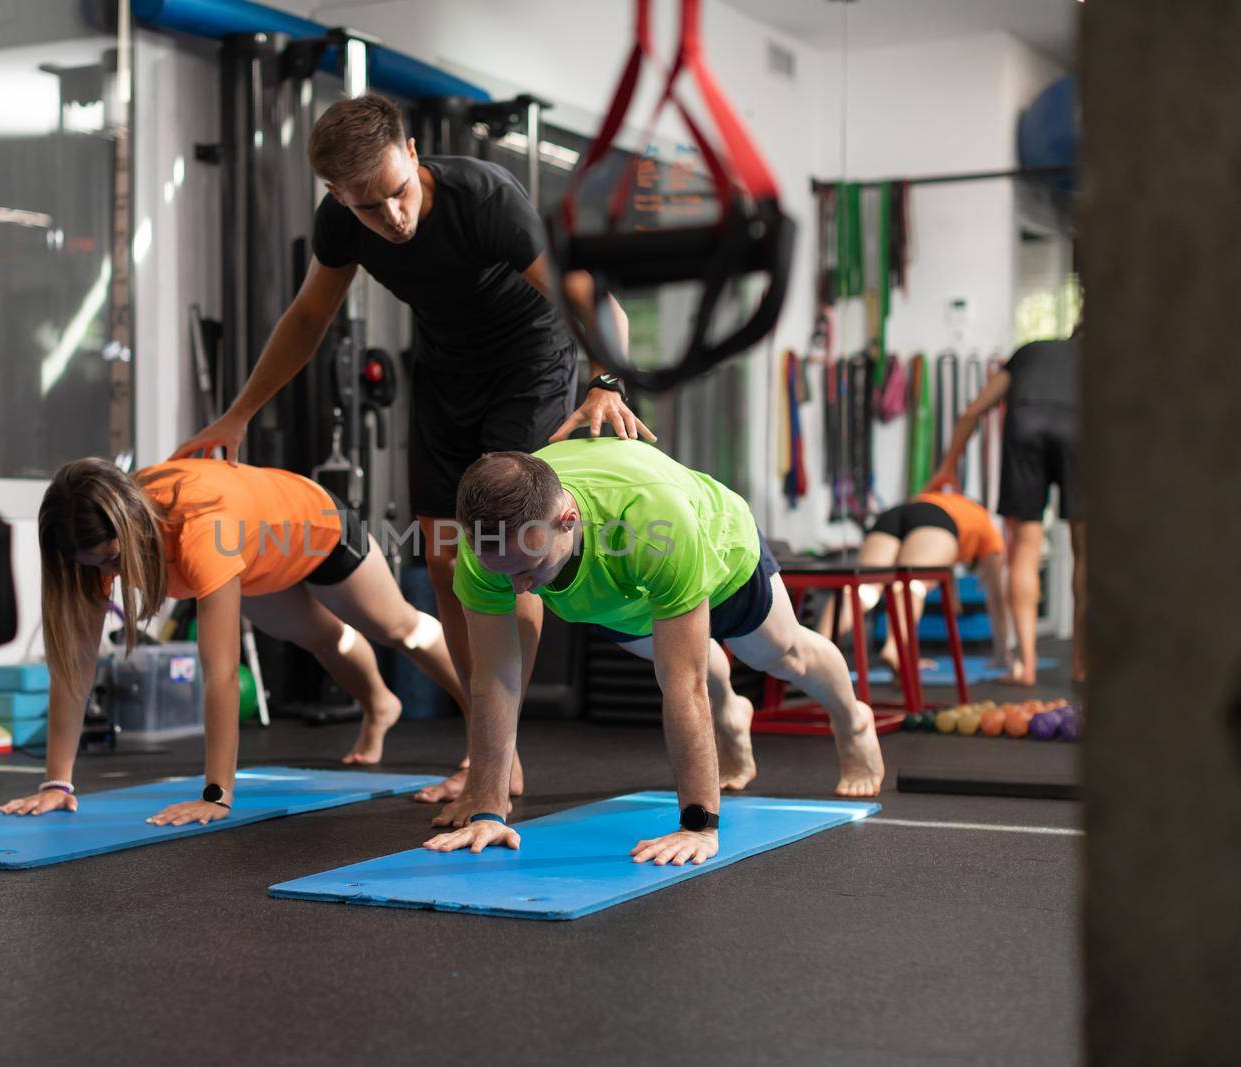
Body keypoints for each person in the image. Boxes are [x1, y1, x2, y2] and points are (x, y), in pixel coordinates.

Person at [174, 93, 649, 806]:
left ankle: (499, 758)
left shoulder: (484, 198)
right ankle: (486, 743)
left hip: (528, 361)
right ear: (336, 194)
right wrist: (237, 416)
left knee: (504, 552)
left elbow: (589, 298)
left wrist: (606, 379)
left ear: (414, 154)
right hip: (443, 373)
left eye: (398, 192)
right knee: (444, 559)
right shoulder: (342, 222)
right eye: (367, 206)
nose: (391, 216)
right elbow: (308, 317)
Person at [422, 439, 885, 866]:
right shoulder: (488, 553)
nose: (518, 588)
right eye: (503, 572)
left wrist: (699, 826)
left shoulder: (649, 520)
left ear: (567, 520)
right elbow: (494, 678)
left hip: (718, 554)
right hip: (619, 590)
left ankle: (852, 717)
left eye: (530, 568)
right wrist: (488, 812)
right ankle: (731, 712)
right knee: (690, 661)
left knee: (779, 655)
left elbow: (684, 686)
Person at [0, 456, 463, 825]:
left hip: (315, 528)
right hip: (258, 556)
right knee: (323, 639)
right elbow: (75, 661)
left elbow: (220, 672)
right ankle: (380, 703)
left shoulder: (202, 531)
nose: (108, 577)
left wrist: (216, 795)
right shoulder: (98, 538)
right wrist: (57, 783)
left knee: (399, 629)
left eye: (113, 563)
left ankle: (486, 727)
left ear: (133, 527)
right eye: (95, 566)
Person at [927, 329, 1083, 684]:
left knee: (1026, 547)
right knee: (1085, 553)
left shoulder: (1029, 351)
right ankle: (1081, 665)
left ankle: (1025, 666)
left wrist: (948, 464)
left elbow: (972, 411)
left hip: (1024, 421)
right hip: (1079, 423)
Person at [818, 490, 1011, 678]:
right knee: (913, 585)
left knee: (866, 588)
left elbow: (946, 571)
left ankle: (818, 645)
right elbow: (997, 597)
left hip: (896, 514)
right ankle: (894, 649)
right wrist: (1003, 654)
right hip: (935, 521)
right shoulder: (988, 528)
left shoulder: (956, 507)